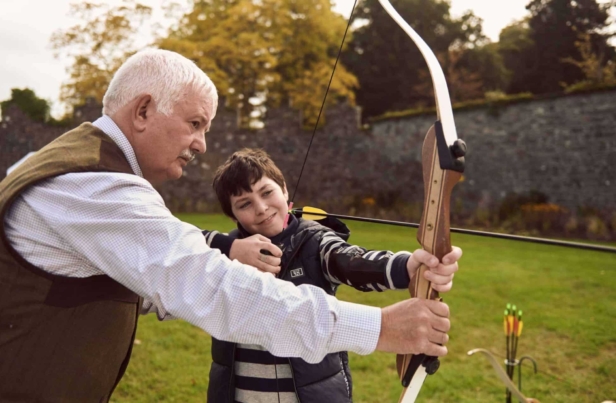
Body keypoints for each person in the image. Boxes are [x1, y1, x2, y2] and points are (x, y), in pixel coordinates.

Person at [0, 49, 458, 402]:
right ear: (142, 111)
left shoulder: (72, 172)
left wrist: (408, 267)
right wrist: (379, 329)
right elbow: (210, 287)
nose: (201, 144)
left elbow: (347, 261)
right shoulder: (91, 186)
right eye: (195, 124)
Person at [203, 148, 462, 403]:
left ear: (284, 189)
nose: (260, 208)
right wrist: (232, 249)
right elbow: (174, 246)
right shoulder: (223, 254)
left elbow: (351, 261)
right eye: (244, 204)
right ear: (232, 214)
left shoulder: (314, 241)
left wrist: (407, 267)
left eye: (267, 192)